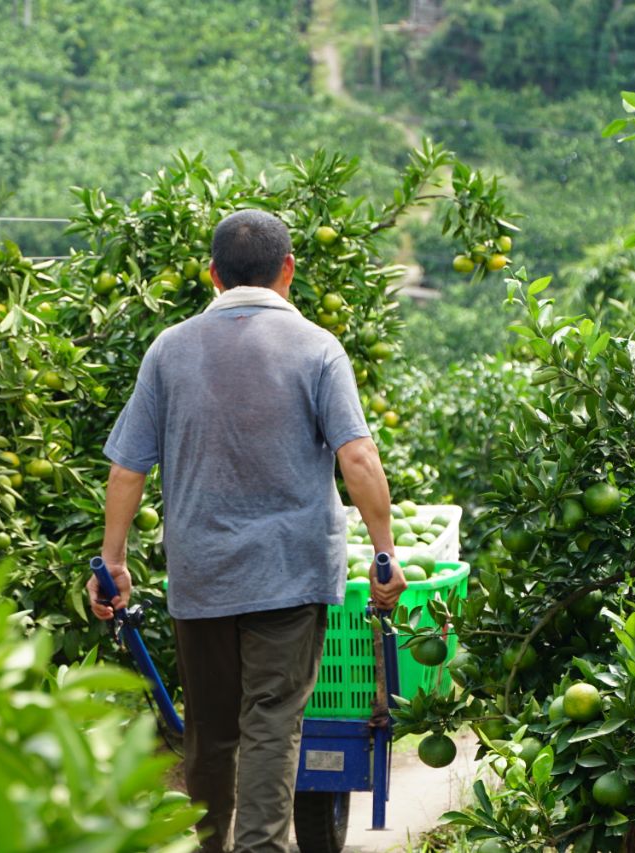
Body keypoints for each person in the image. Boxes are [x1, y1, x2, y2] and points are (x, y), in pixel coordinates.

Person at [86, 209, 406, 853]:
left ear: (213, 275)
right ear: (289, 270)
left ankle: (211, 845)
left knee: (209, 729)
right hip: (289, 577)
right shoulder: (318, 347)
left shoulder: (169, 349)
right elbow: (359, 458)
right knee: (272, 723)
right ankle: (262, 847)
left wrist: (112, 561)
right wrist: (384, 552)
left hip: (202, 576)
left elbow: (127, 468)